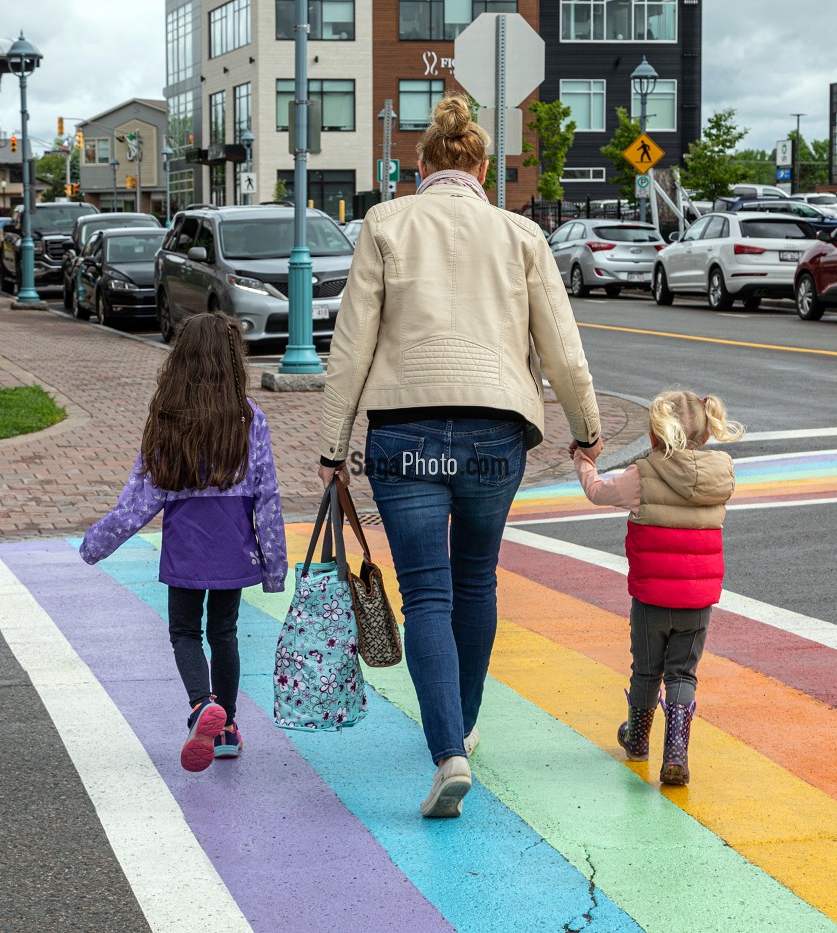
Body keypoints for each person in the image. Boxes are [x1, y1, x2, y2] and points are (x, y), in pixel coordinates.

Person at [318, 94, 602, 818]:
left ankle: (446, 749)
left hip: (403, 434)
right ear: (482, 167)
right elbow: (562, 348)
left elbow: (351, 345)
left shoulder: (385, 223)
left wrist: (332, 445)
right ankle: (465, 726)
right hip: (493, 431)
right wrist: (588, 428)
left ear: (419, 167)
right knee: (476, 581)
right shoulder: (521, 236)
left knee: (427, 595)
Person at [80, 314, 287, 773]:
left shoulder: (168, 418)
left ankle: (200, 706)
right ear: (234, 360)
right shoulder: (249, 416)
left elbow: (141, 495)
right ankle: (228, 727)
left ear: (181, 360)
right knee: (225, 632)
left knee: (185, 632)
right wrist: (274, 568)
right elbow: (267, 494)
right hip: (234, 540)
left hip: (186, 542)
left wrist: (97, 543)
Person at [571, 390, 744, 785]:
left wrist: (584, 461)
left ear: (653, 435)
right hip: (697, 601)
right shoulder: (721, 476)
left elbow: (597, 492)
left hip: (650, 600)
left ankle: (636, 740)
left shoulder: (642, 475)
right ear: (705, 435)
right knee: (683, 674)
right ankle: (676, 753)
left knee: (647, 671)